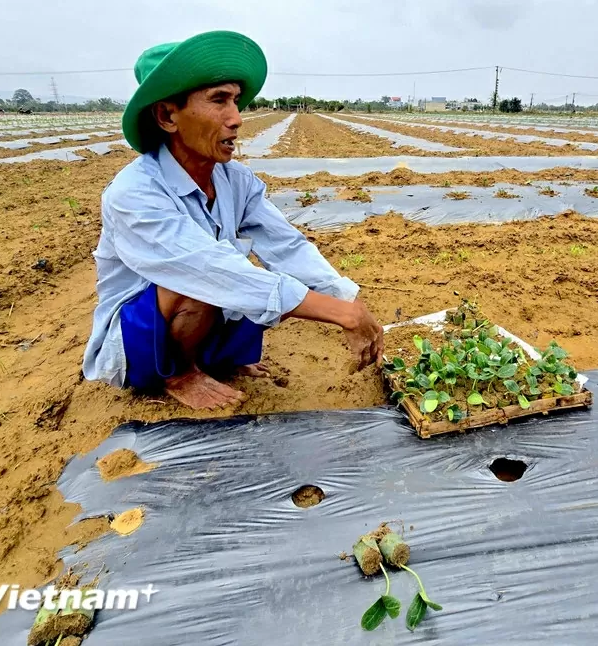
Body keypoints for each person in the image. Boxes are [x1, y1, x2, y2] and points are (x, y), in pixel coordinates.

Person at [83, 31, 383, 409]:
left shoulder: (234, 179)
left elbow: (285, 245)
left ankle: (220, 358)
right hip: (141, 344)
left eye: (236, 101)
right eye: (218, 101)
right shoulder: (134, 193)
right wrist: (340, 314)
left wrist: (345, 299)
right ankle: (179, 374)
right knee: (208, 276)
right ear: (167, 116)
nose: (237, 119)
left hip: (202, 317)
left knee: (266, 284)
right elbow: (205, 270)